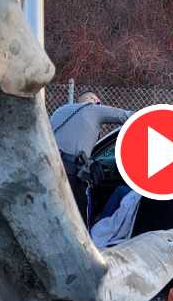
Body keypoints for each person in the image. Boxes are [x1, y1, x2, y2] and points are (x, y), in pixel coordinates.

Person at [50, 91, 130, 220]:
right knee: (78, 218)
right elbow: (128, 116)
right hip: (72, 172)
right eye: (98, 102)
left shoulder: (60, 110)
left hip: (48, 166)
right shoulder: (93, 109)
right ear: (94, 100)